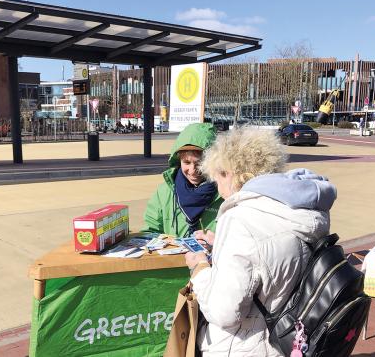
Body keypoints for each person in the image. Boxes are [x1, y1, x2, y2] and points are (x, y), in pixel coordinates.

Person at [185, 127, 337, 356]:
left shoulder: (240, 219)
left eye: (217, 178)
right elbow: (271, 257)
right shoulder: (297, 208)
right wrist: (222, 248)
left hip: (244, 346)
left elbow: (224, 313)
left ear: (230, 172)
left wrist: (200, 268)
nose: (217, 186)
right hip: (287, 341)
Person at [142, 122, 223, 238]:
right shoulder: (165, 191)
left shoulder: (225, 192)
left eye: (199, 163)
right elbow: (150, 230)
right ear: (178, 160)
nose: (192, 170)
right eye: (187, 162)